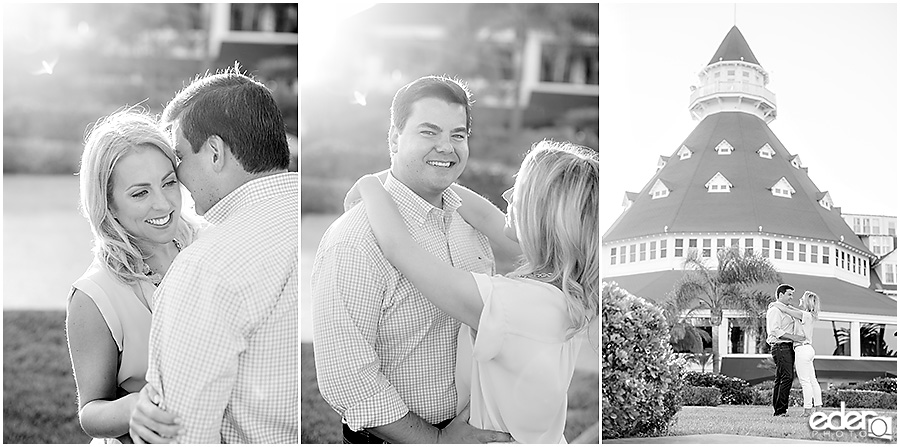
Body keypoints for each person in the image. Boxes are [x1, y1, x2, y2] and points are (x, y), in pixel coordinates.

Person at [311, 75, 514, 444]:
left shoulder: (470, 223)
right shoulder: (354, 242)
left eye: (458, 135)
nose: (447, 147)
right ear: (393, 139)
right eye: (428, 132)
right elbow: (347, 376)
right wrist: (435, 441)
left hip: (477, 428)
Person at [356, 139, 599, 443]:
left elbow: (399, 248)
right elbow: (485, 216)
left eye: (520, 190)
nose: (506, 195)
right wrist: (402, 179)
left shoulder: (517, 305)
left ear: (542, 214)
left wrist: (368, 185)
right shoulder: (562, 288)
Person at [127, 68, 298, 443]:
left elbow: (180, 435)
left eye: (179, 157)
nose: (178, 176)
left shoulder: (207, 267)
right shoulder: (317, 223)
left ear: (215, 152)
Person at [66, 110, 200, 443]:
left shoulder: (208, 245)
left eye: (169, 182)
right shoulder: (93, 296)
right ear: (108, 203)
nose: (163, 204)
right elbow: (91, 411)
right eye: (140, 193)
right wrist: (133, 408)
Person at [771, 291, 823, 417]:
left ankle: (807, 410)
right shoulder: (808, 315)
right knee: (813, 381)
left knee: (805, 381)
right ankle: (818, 408)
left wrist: (774, 304)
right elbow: (790, 309)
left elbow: (787, 310)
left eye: (802, 298)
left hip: (802, 350)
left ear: (806, 301)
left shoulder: (803, 314)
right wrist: (780, 306)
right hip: (809, 349)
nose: (799, 299)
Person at [766, 284, 806, 417]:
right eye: (789, 294)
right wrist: (795, 337)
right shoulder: (775, 311)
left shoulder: (784, 309)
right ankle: (781, 410)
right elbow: (776, 331)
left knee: (781, 378)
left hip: (787, 347)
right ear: (780, 294)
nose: (791, 297)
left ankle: (778, 409)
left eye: (792, 295)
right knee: (787, 377)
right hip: (780, 346)